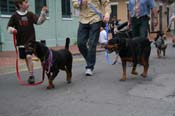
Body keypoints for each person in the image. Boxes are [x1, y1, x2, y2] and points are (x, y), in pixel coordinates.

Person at [7, 0, 48, 84]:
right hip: (21, 43)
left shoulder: (30, 14)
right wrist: (12, 30)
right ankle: (30, 74)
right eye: (26, 2)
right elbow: (9, 27)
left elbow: (39, 21)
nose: (28, 4)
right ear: (20, 4)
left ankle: (31, 75)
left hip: (30, 42)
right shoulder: (15, 16)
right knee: (26, 58)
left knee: (29, 56)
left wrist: (43, 13)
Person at [72, 0, 111, 76]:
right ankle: (90, 59)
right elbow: (74, 4)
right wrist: (80, 3)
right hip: (83, 20)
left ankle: (89, 67)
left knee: (92, 43)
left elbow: (106, 3)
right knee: (80, 43)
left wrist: (107, 14)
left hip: (95, 19)